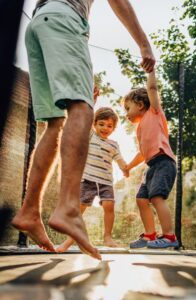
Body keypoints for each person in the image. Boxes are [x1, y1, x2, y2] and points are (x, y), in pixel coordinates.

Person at [12, 0, 155, 259]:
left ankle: (29, 212)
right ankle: (67, 208)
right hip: (65, 18)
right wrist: (144, 44)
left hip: (37, 24)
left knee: (54, 123)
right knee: (82, 108)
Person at [57, 107, 128, 252]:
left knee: (109, 206)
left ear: (113, 129)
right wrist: (91, 102)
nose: (105, 128)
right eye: (101, 124)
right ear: (94, 124)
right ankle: (69, 241)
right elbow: (86, 119)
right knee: (79, 210)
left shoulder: (114, 144)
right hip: (88, 180)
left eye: (109, 126)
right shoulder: (90, 136)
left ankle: (107, 236)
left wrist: (125, 168)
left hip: (106, 182)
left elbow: (120, 160)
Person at [123, 69, 178, 249]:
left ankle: (170, 237)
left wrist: (151, 71)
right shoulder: (140, 129)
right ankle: (149, 235)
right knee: (141, 198)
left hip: (164, 162)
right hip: (152, 166)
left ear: (139, 104)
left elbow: (152, 89)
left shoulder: (154, 112)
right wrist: (129, 166)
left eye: (127, 108)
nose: (126, 113)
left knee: (156, 197)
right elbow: (142, 154)